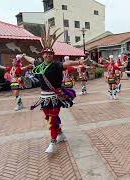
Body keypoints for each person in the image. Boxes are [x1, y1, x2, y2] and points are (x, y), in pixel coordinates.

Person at [18, 27, 89, 155]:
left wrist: (79, 61)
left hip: (55, 97)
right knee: (48, 117)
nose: (48, 55)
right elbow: (31, 60)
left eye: (50, 54)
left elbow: (67, 64)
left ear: (53, 55)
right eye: (45, 53)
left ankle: (53, 142)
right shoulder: (39, 64)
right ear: (42, 55)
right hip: (44, 98)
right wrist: (23, 55)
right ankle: (60, 134)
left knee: (52, 118)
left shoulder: (57, 65)